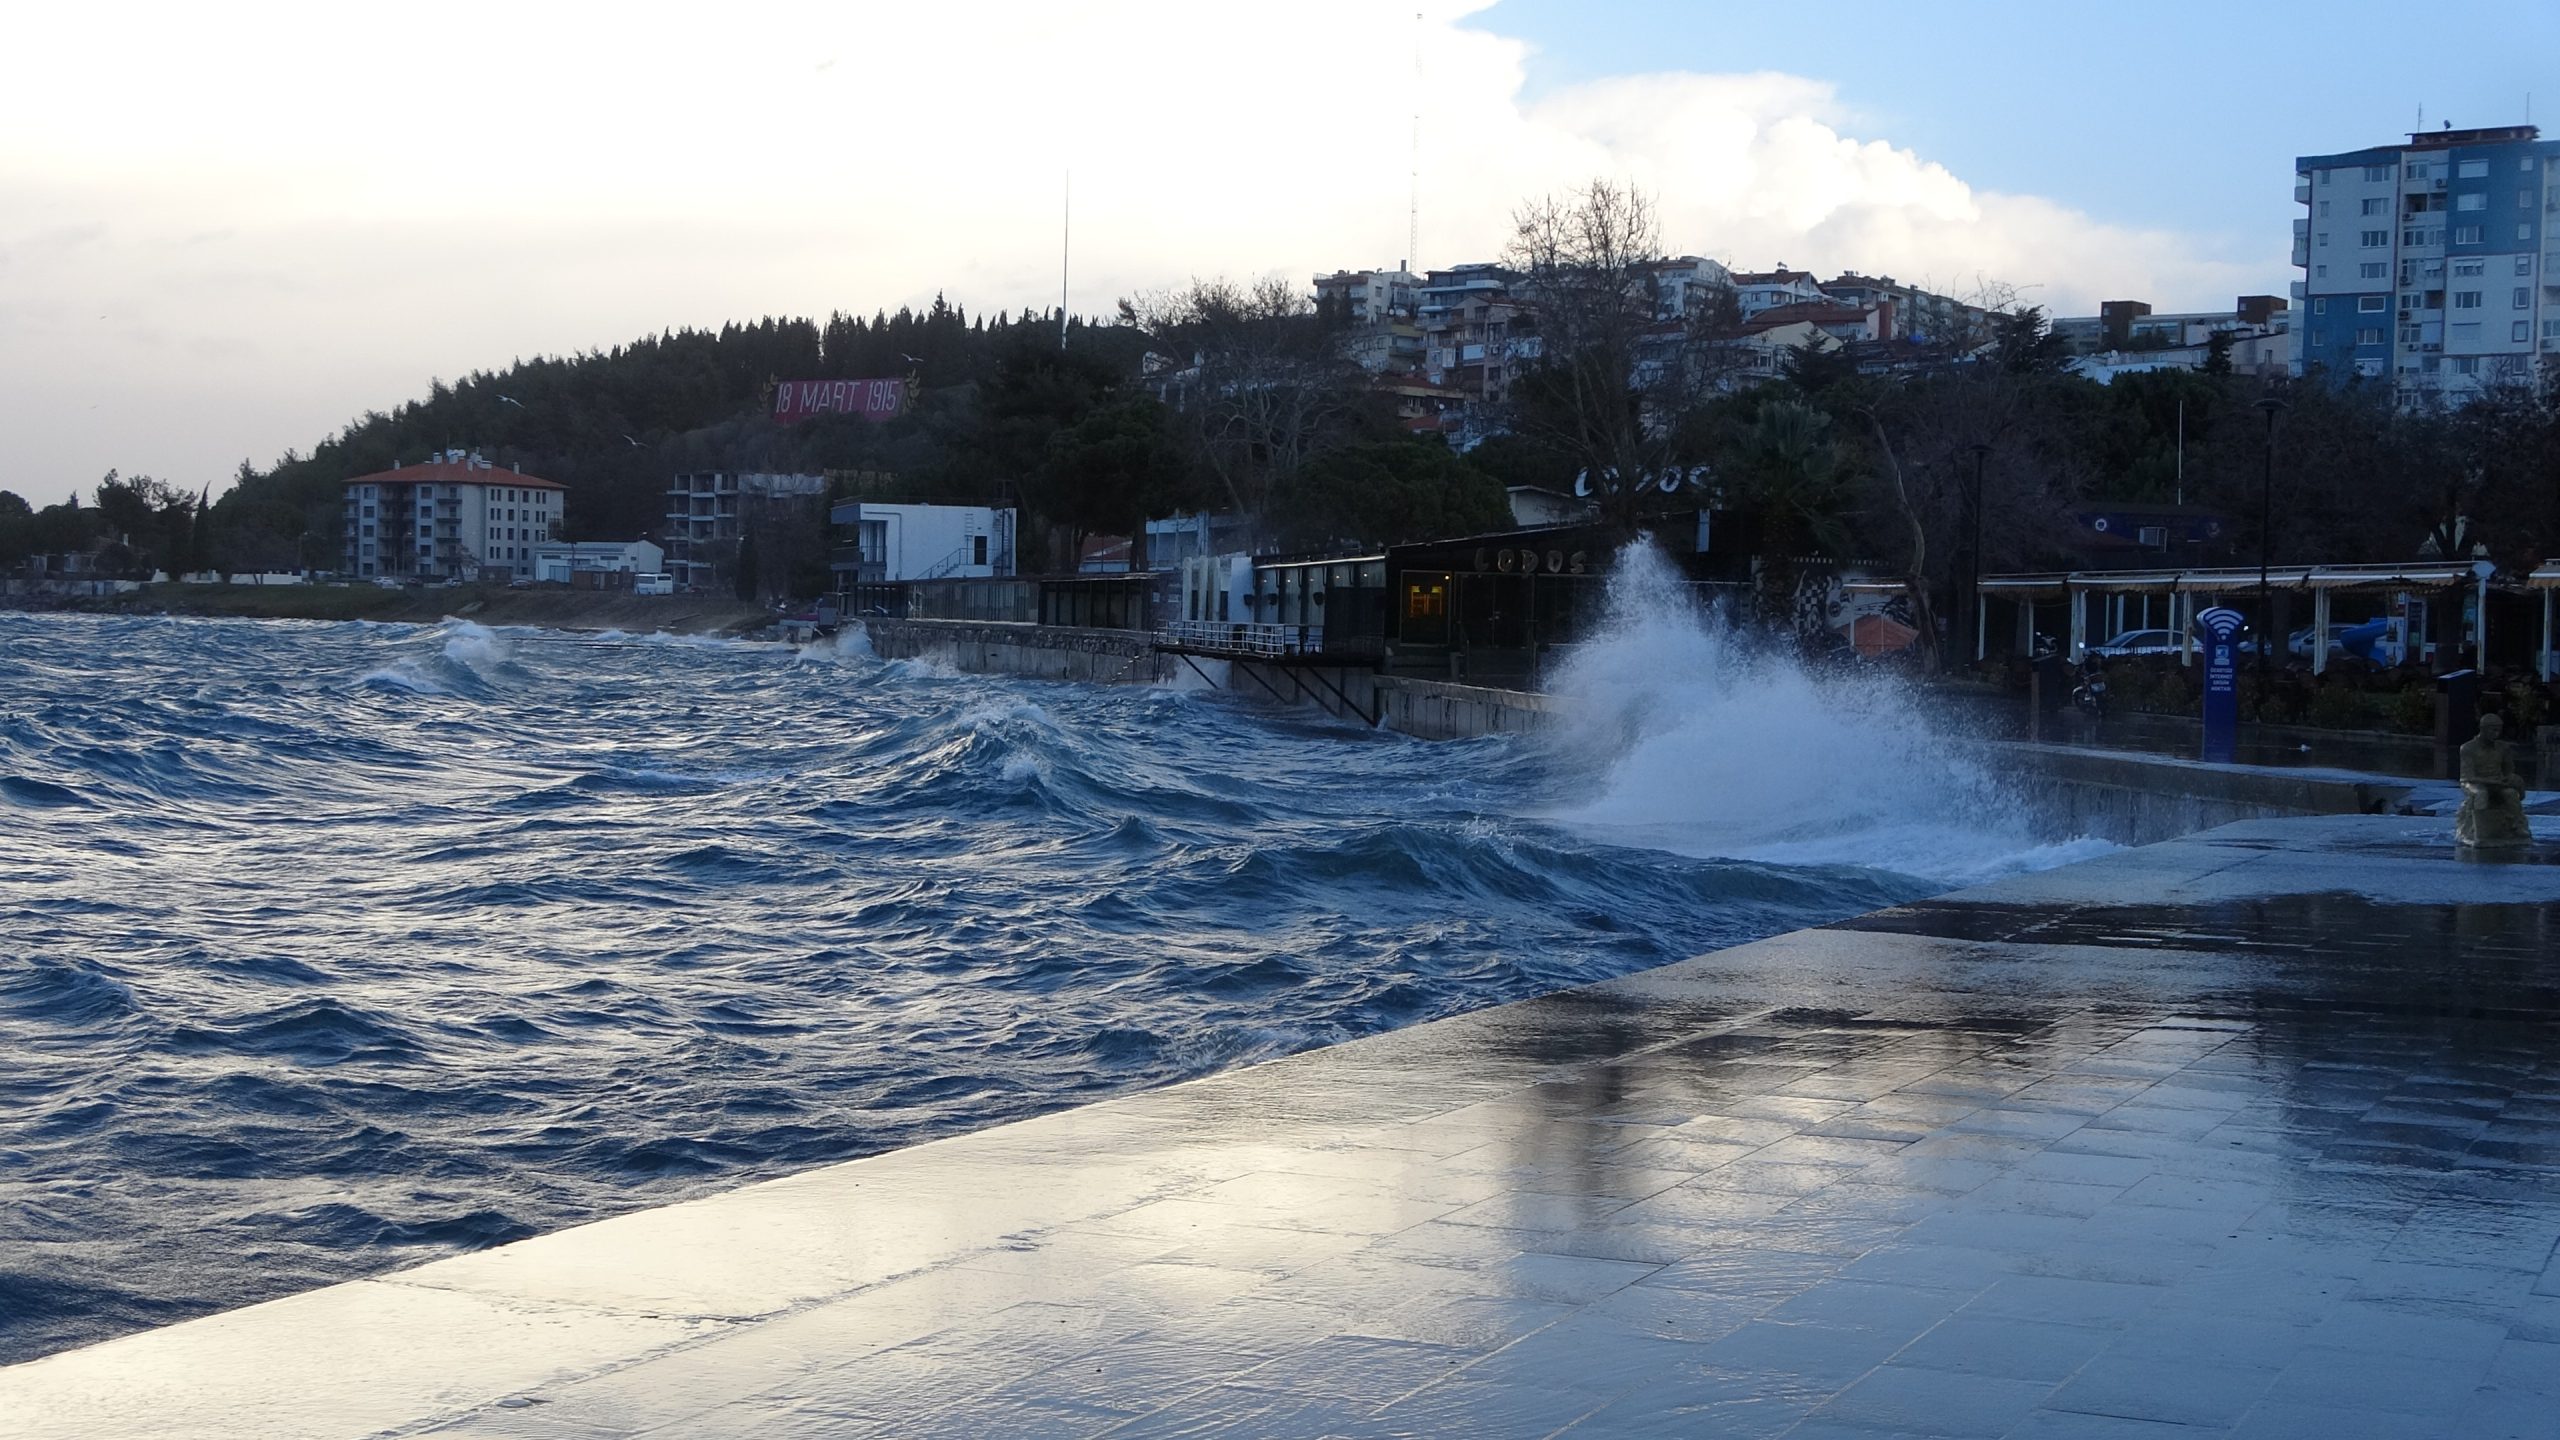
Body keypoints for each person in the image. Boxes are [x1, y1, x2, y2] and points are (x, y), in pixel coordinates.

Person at [2456, 713, 2532, 850]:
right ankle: (2480, 832)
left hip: (2497, 783)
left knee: (2510, 794)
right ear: (2483, 729)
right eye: (2493, 730)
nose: (2496, 734)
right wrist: (2490, 781)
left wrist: (2510, 779)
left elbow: (2509, 770)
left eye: (2498, 730)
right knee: (2481, 794)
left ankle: (2517, 826)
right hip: (2472, 783)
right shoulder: (2468, 748)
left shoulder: (2503, 748)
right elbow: (2467, 776)